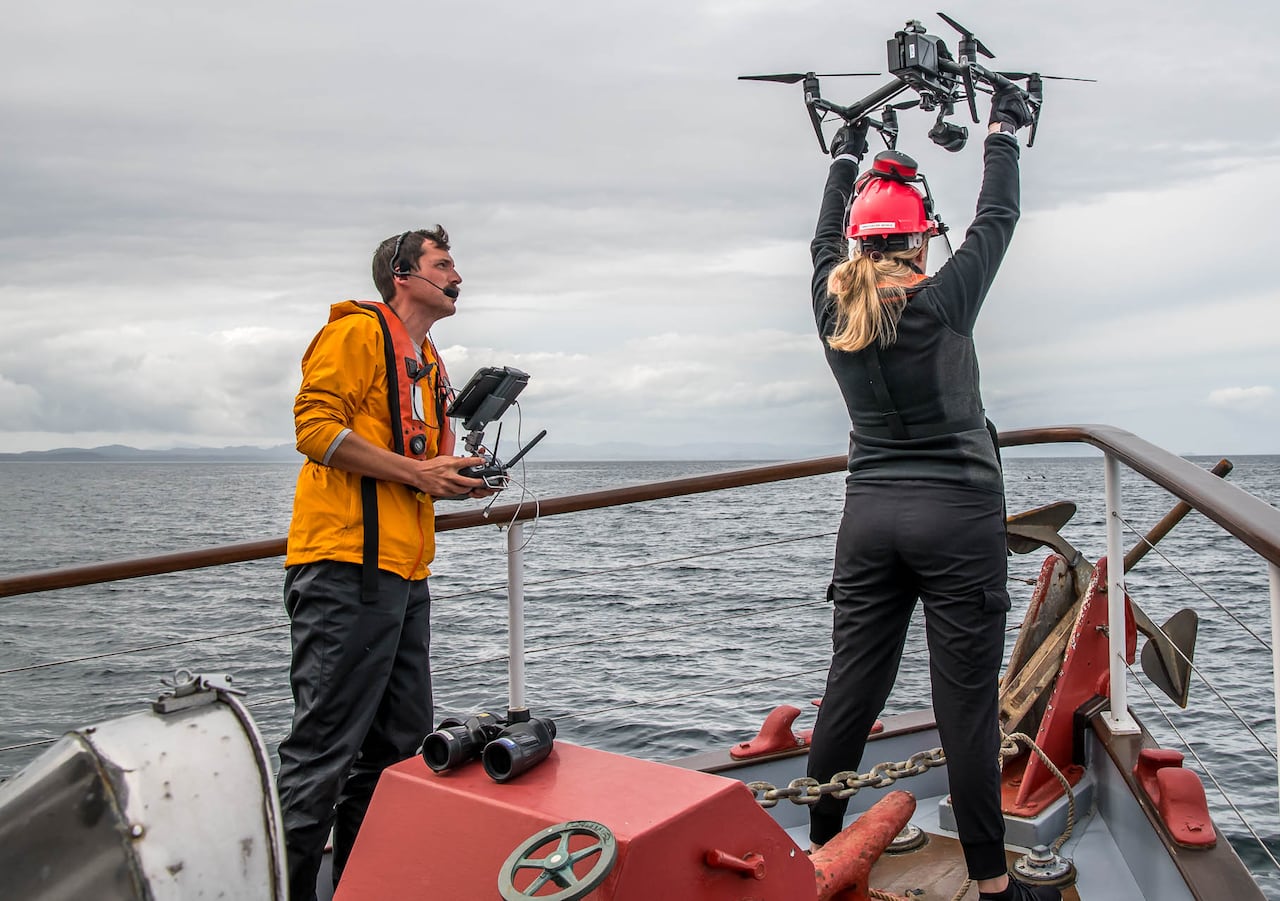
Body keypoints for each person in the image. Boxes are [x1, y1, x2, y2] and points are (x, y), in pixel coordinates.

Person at [804, 90, 1060, 901]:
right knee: (967, 710)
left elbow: (819, 240)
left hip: (870, 518)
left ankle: (819, 853)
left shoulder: (829, 307)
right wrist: (1002, 130)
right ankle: (992, 884)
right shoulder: (942, 301)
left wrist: (845, 154)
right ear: (918, 240)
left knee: (850, 688)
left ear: (859, 241)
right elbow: (998, 216)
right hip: (956, 520)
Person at [276, 226, 495, 900]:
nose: (457, 275)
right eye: (443, 263)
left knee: (397, 748)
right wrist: (419, 472)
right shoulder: (356, 334)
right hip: (345, 567)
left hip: (403, 571)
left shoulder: (425, 359)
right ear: (402, 274)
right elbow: (312, 427)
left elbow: (416, 464)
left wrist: (454, 475)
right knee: (323, 750)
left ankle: (355, 887)